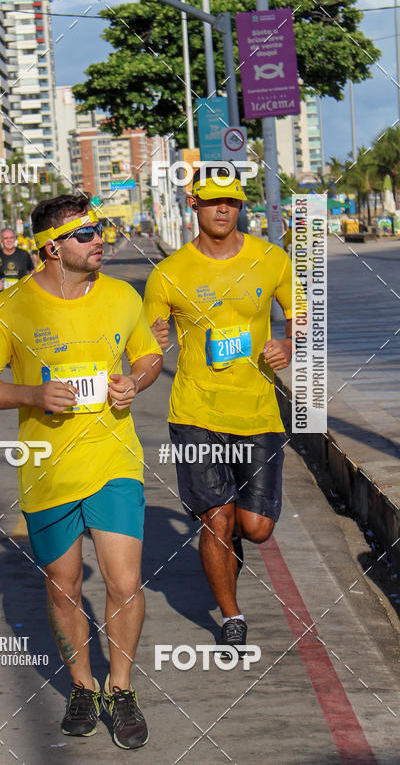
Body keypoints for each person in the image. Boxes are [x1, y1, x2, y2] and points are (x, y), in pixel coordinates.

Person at [0, 193, 162, 749]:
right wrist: (32, 393)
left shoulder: (122, 296)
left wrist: (136, 382)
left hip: (113, 460)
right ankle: (82, 685)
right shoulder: (14, 308)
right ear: (52, 247)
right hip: (47, 470)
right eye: (86, 233)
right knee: (64, 586)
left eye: (101, 231)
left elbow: (147, 357)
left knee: (123, 581)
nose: (100, 240)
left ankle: (120, 689)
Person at [144, 166, 293, 656]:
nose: (223, 208)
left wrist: (288, 345)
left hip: (257, 412)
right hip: (195, 411)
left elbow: (302, 317)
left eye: (231, 200)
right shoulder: (168, 274)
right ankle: (232, 615)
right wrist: (152, 345)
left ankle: (233, 541)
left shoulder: (271, 259)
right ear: (194, 204)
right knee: (216, 519)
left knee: (256, 528)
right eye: (212, 201)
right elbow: (143, 342)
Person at [0, 226, 35, 294]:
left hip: (21, 292)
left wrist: (31, 283)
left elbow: (32, 271)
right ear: (1, 240)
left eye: (11, 238)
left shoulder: (24, 254)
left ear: (15, 239)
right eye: (5, 238)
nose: (9, 240)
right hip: (4, 294)